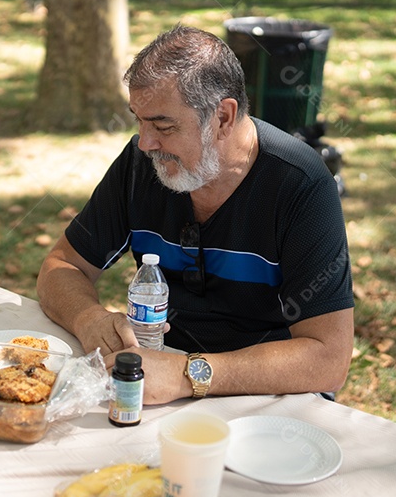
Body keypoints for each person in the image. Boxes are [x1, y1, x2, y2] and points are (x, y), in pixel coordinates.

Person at [37, 25, 354, 405]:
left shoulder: (300, 184)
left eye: (163, 126)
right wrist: (89, 319)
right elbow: (62, 266)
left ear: (222, 117)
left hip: (266, 399)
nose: (145, 142)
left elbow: (328, 358)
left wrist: (189, 375)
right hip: (160, 377)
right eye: (138, 120)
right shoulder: (143, 163)